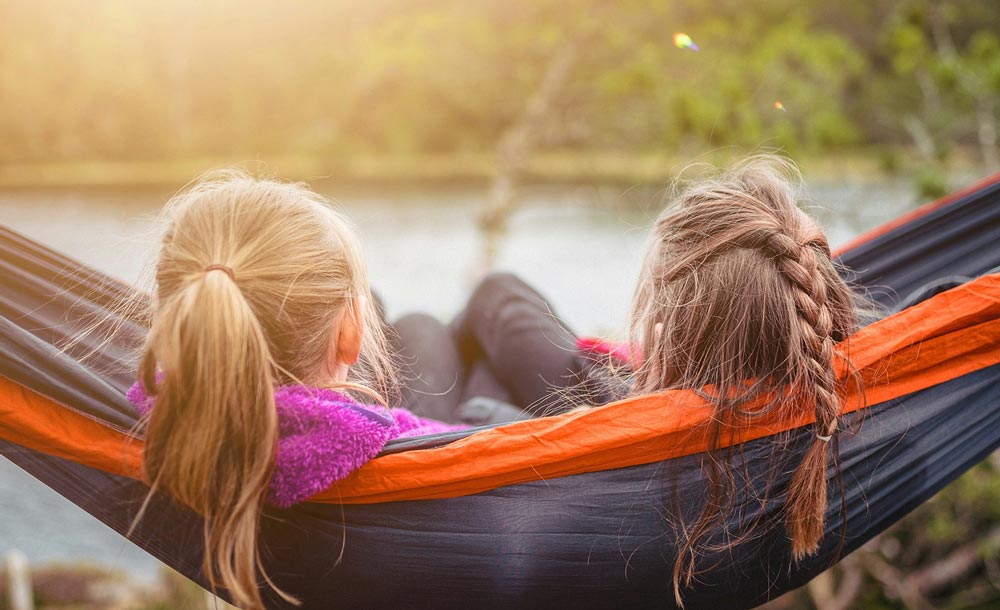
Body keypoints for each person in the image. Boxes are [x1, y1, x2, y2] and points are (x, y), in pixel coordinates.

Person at [394, 155, 861, 600]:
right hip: (634, 414)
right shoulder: (844, 398)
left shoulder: (631, 464)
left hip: (595, 431)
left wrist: (493, 410)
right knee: (485, 310)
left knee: (431, 325)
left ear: (664, 332)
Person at [125, 170, 463, 610]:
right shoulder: (407, 449)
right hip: (445, 445)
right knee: (440, 320)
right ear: (352, 334)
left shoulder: (161, 413)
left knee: (400, 314)